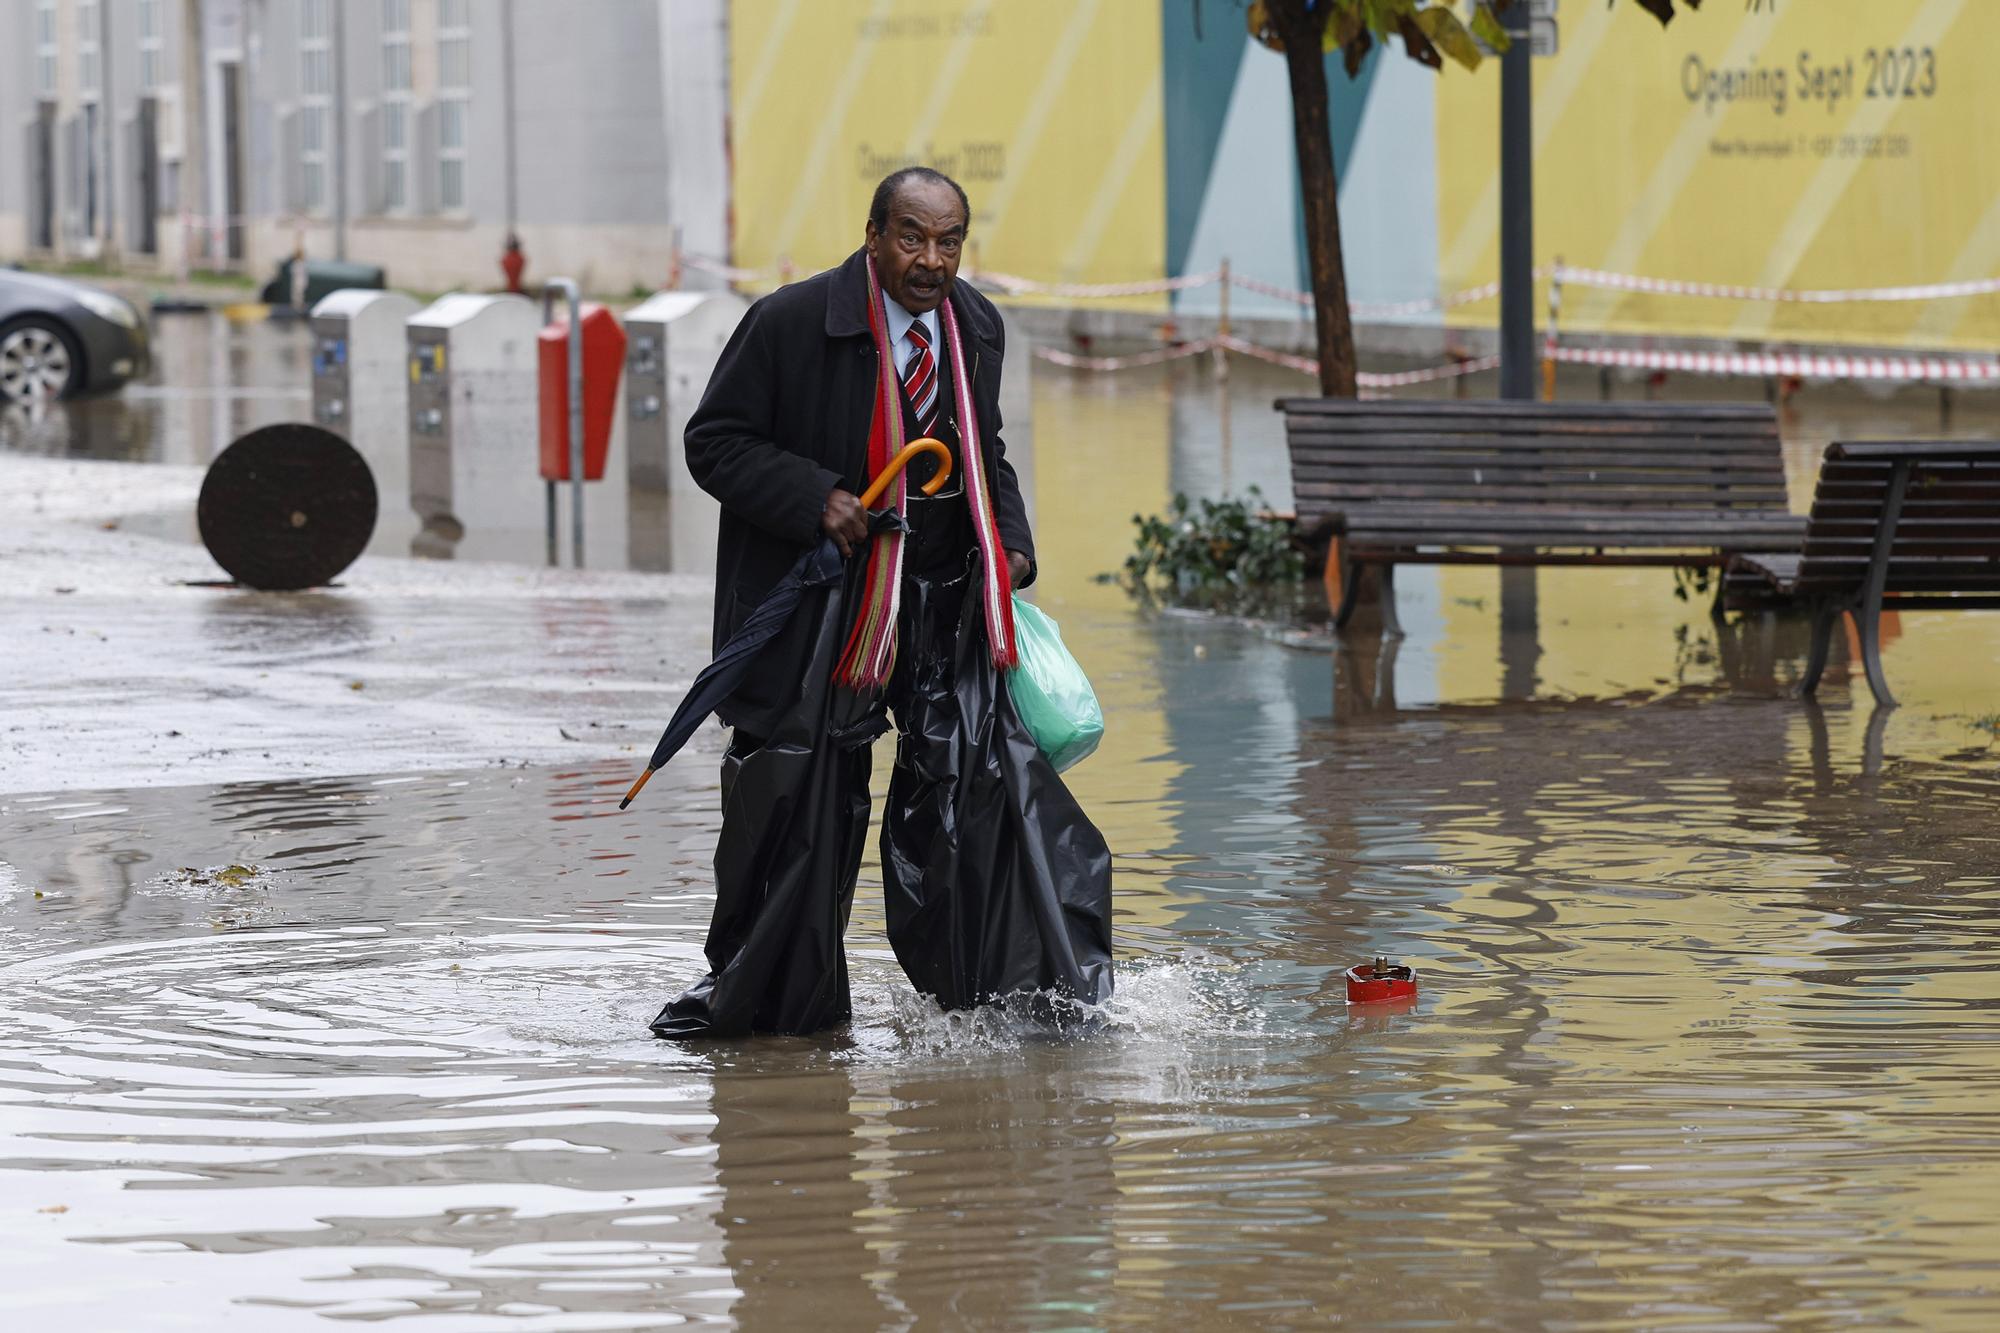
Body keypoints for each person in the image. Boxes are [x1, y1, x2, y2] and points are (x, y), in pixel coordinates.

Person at [653, 167, 1114, 1038]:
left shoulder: (975, 324)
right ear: (872, 235)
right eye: (911, 236)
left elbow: (989, 446)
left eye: (948, 242)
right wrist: (815, 496)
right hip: (823, 616)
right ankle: (779, 1011)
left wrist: (1011, 543)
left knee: (971, 797)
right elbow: (713, 441)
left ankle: (997, 1002)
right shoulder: (791, 321)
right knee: (802, 803)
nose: (930, 259)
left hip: (940, 610)